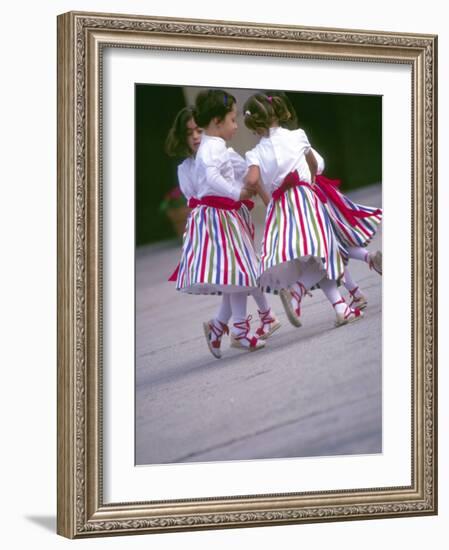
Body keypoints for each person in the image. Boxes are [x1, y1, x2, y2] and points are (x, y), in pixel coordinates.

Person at [174, 90, 280, 358]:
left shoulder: (217, 148)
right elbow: (211, 178)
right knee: (240, 276)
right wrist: (237, 193)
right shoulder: (211, 148)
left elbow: (240, 168)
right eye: (233, 119)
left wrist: (256, 177)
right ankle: (240, 331)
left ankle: (226, 328)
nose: (236, 125)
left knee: (238, 277)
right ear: (218, 121)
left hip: (225, 218)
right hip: (217, 220)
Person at [243, 92, 363, 328]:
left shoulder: (254, 153)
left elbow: (253, 180)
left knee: (313, 260)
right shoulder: (298, 135)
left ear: (254, 125)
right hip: (305, 200)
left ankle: (341, 308)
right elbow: (315, 164)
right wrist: (311, 182)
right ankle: (298, 291)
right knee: (324, 253)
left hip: (281, 209)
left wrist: (248, 183)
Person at [263, 91, 383, 312]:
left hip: (310, 200)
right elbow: (320, 164)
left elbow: (316, 165)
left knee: (327, 249)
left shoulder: (285, 143)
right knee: (330, 247)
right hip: (318, 196)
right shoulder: (294, 138)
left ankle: (355, 284)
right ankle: (358, 284)